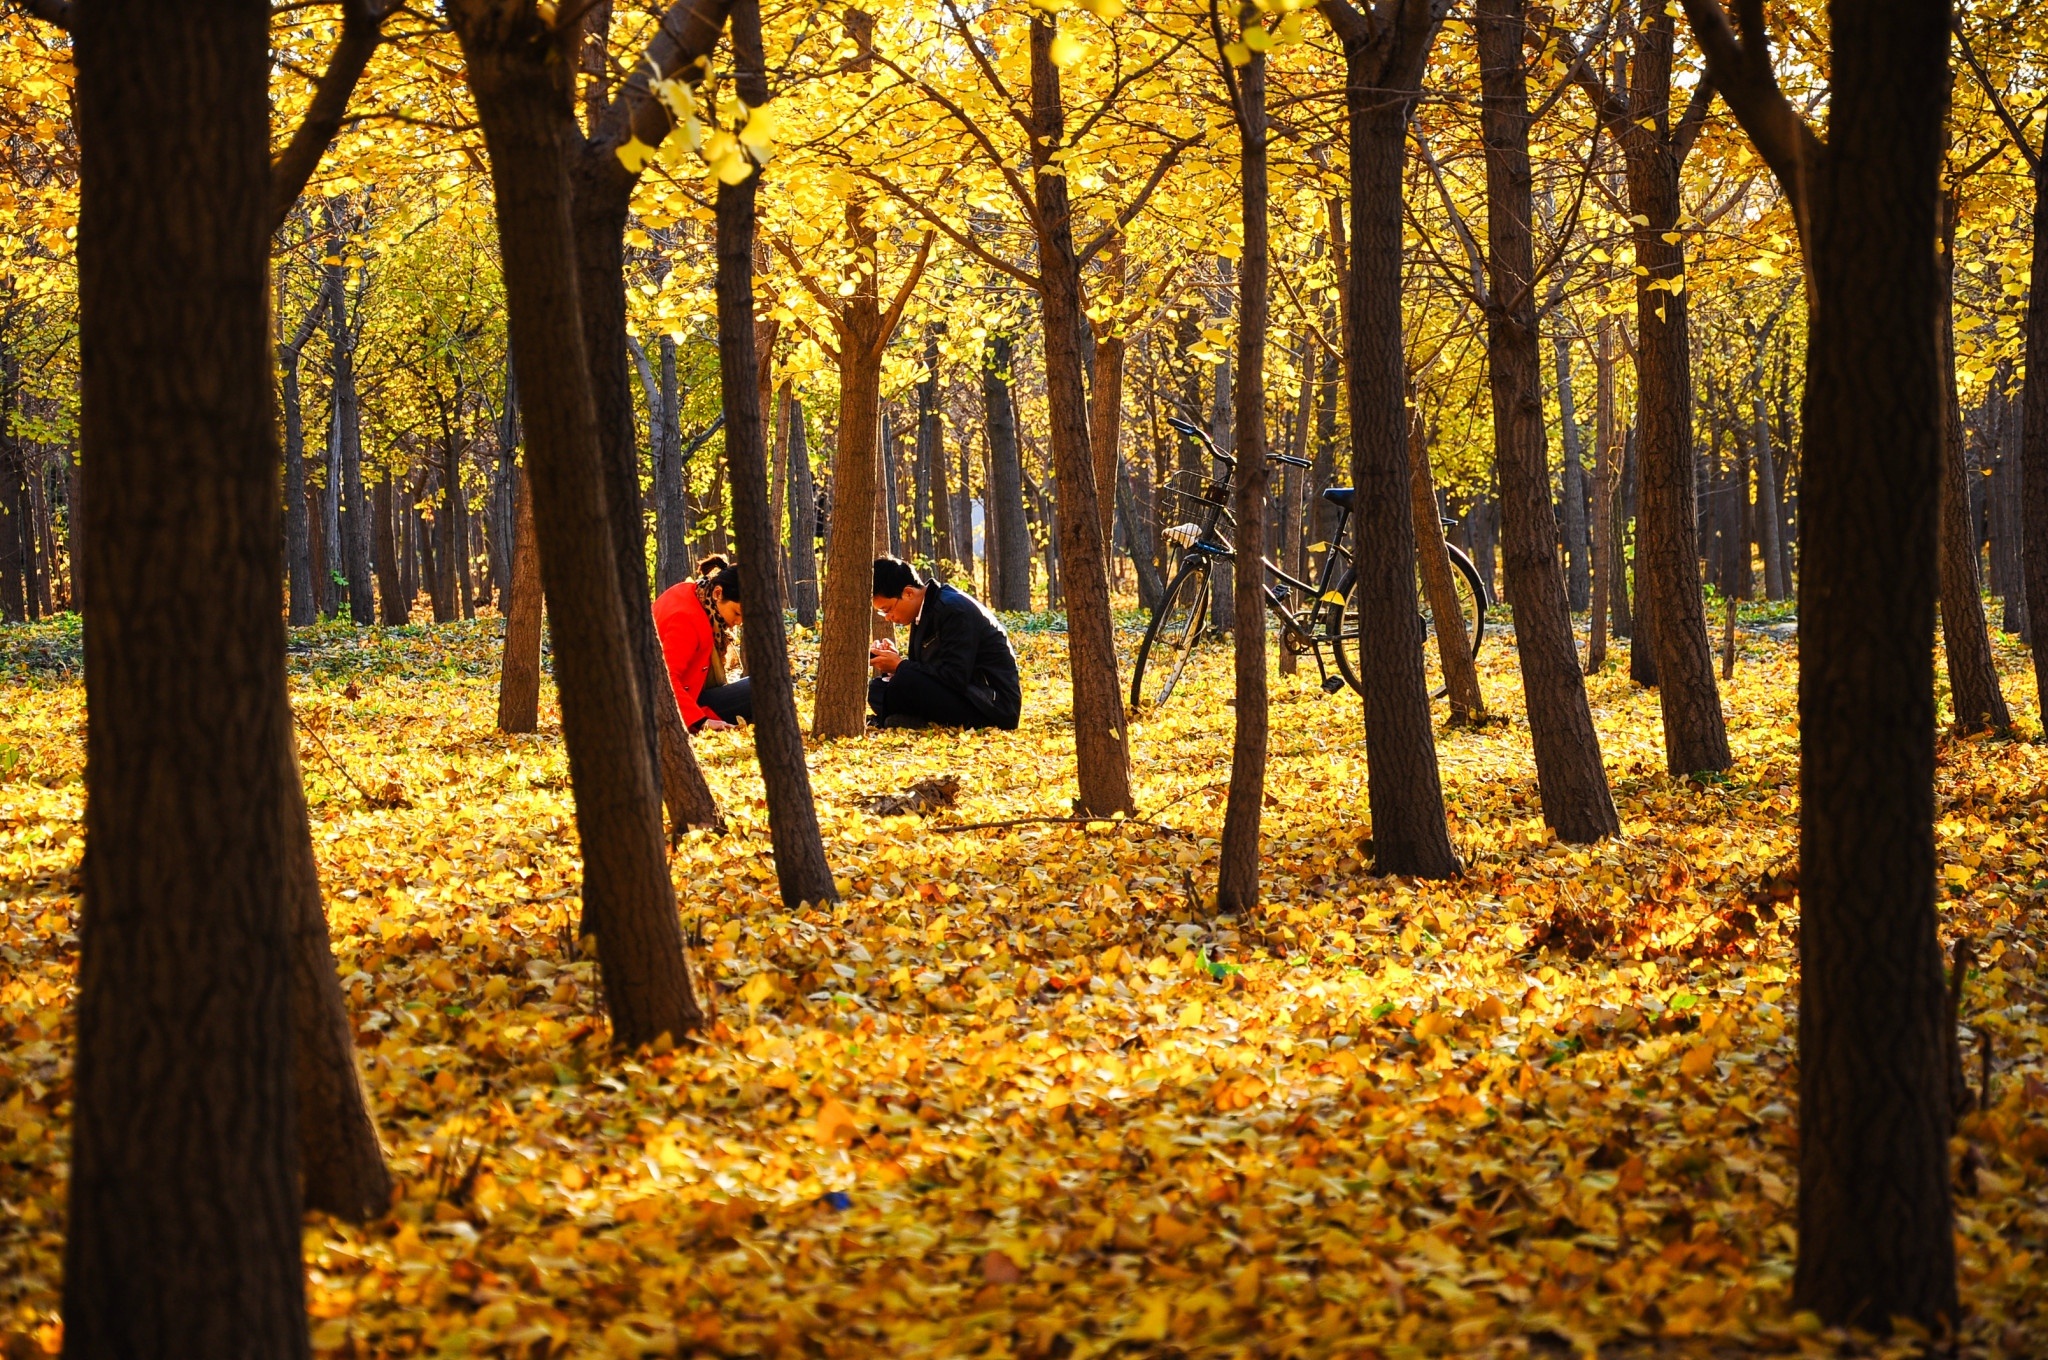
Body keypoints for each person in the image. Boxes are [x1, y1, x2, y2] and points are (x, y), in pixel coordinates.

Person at [868, 555, 1022, 730]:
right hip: (962, 694)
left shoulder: (953, 609)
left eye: (887, 610)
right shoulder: (924, 611)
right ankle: (910, 720)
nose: (888, 617)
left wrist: (901, 666)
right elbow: (931, 670)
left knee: (904, 681)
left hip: (991, 706)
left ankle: (907, 720)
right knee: (878, 687)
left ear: (908, 593)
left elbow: (955, 676)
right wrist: (894, 664)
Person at [653, 555, 751, 731]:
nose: (739, 622)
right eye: (737, 613)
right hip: (676, 709)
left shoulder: (691, 592)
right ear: (717, 593)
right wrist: (702, 722)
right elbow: (664, 680)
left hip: (687, 698)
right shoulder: (686, 618)